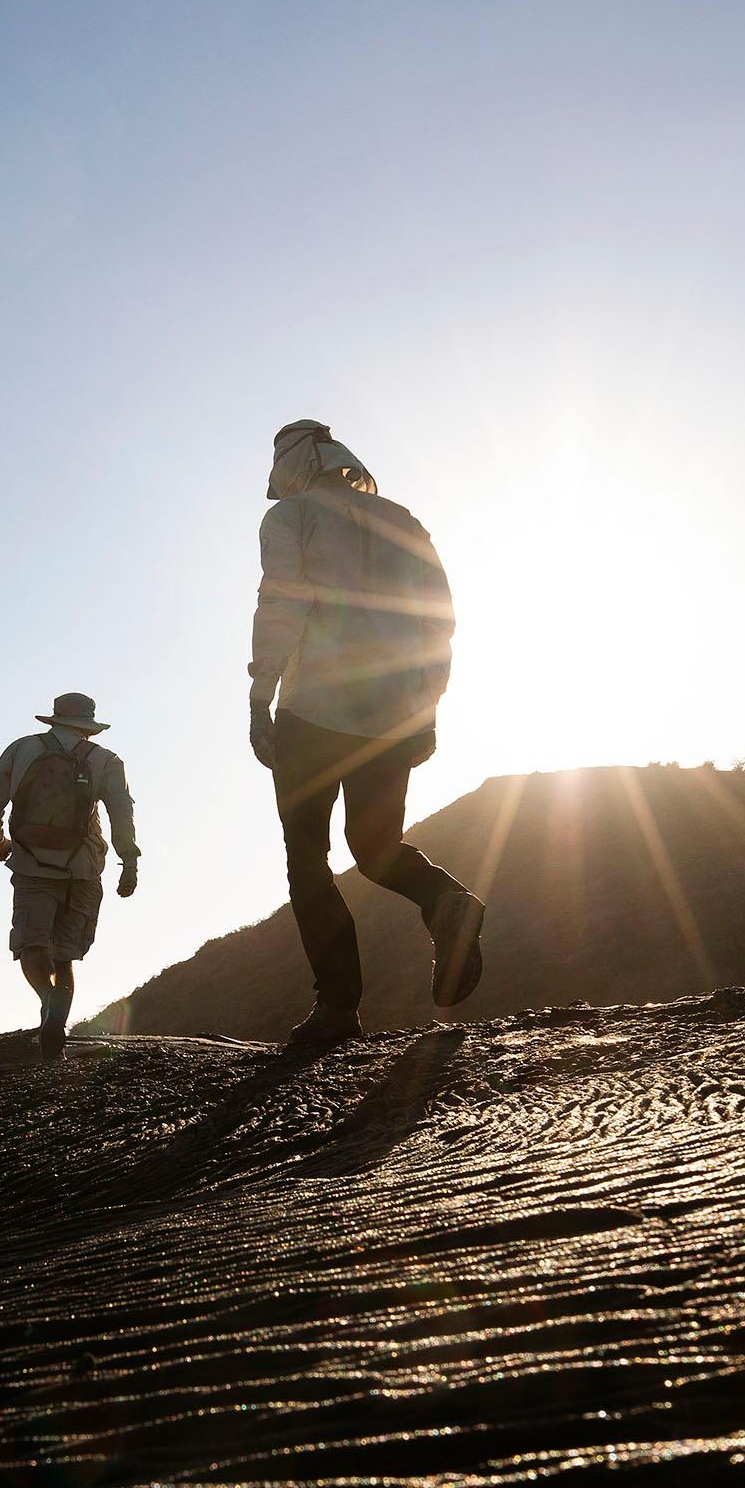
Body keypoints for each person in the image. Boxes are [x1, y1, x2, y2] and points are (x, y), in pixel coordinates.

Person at [247, 419, 484, 1048]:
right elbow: (438, 620)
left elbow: (282, 603)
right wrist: (426, 708)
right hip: (389, 713)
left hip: (314, 710)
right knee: (376, 847)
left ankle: (338, 1007)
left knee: (307, 857)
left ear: (292, 465)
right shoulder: (402, 519)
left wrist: (258, 695)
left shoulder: (290, 518)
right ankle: (446, 902)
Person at [0, 692, 140, 1061]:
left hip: (31, 864)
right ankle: (58, 1019)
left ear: (54, 719)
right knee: (65, 956)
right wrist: (129, 861)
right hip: (82, 868)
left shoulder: (22, 750)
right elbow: (122, 814)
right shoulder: (106, 760)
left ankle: (48, 1002)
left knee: (33, 946)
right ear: (89, 726)